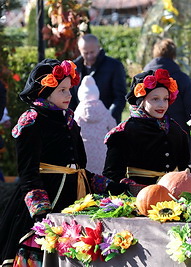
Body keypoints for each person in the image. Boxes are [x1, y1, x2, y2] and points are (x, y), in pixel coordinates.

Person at [0, 59, 127, 266]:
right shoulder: (32, 120)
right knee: (42, 250)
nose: (69, 95)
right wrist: (41, 212)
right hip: (45, 202)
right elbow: (28, 173)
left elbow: (80, 169)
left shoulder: (69, 119)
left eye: (69, 89)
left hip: (75, 200)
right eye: (62, 90)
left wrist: (112, 187)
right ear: (45, 91)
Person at [103, 69, 191, 188]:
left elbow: (184, 167)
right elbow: (112, 175)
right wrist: (133, 189)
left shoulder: (176, 130)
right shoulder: (124, 133)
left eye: (165, 99)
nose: (162, 104)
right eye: (155, 99)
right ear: (141, 101)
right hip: (137, 198)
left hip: (175, 195)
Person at [143, 38, 191, 133]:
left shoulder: (143, 77)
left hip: (148, 130)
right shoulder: (182, 78)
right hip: (177, 132)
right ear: (173, 54)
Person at [70, 34, 127, 123]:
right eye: (85, 53)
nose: (89, 56)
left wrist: (108, 118)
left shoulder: (114, 66)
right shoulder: (75, 68)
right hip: (80, 123)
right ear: (79, 50)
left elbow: (120, 97)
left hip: (108, 124)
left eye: (92, 52)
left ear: (99, 48)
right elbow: (71, 98)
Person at [74, 75, 116, 174]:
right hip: (102, 151)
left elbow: (73, 129)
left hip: (84, 151)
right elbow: (113, 127)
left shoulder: (78, 112)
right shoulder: (104, 110)